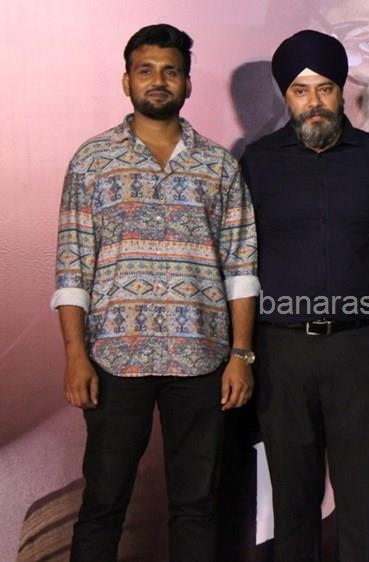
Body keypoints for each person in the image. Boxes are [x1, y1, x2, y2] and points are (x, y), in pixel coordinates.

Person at [51, 23, 259, 561]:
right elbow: (72, 266)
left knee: (197, 505)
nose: (158, 81)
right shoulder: (93, 160)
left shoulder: (218, 165)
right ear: (127, 81)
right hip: (114, 358)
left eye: (171, 71)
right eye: (146, 71)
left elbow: (241, 267)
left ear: (187, 83)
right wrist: (75, 355)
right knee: (103, 504)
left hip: (202, 359)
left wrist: (240, 355)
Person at [240, 30, 369, 562]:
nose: (314, 102)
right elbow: (238, 260)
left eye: (325, 88)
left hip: (359, 349)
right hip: (281, 352)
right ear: (285, 96)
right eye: (300, 90)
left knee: (364, 503)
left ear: (342, 91)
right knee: (293, 506)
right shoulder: (256, 162)